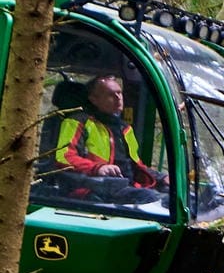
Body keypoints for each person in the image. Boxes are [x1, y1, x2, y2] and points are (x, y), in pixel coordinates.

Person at [57, 75, 165, 207]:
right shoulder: (77, 122)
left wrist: (161, 178)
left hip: (124, 187)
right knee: (150, 198)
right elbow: (64, 157)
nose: (118, 98)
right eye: (110, 94)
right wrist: (98, 168)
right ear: (94, 99)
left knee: (171, 198)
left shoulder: (125, 129)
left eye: (119, 93)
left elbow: (136, 165)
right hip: (93, 189)